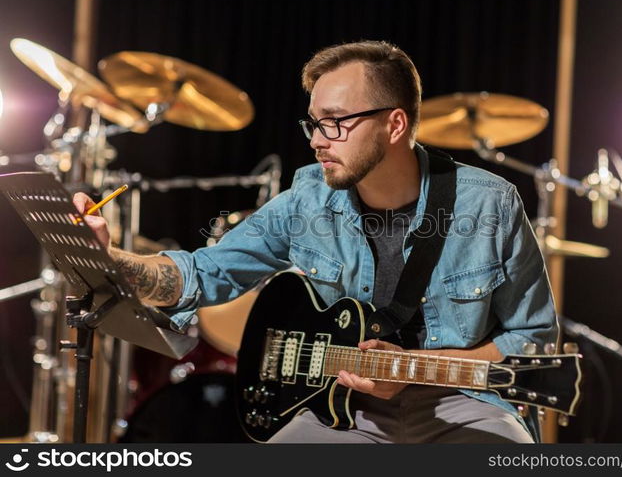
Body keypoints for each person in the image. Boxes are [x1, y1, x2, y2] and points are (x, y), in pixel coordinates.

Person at [73, 40, 558, 443]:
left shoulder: (491, 205)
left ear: (394, 124)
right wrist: (108, 259)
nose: (317, 140)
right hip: (341, 410)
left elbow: (531, 341)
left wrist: (414, 367)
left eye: (336, 121)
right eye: (313, 122)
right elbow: (205, 273)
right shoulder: (308, 198)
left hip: (463, 406)